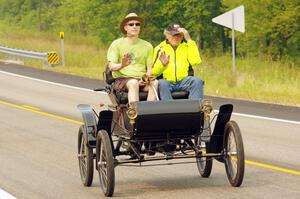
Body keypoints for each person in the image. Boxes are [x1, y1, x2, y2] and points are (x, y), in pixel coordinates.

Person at [107, 13, 158, 104]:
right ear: (125, 28)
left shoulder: (148, 46)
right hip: (123, 79)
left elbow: (149, 69)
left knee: (155, 83)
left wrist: (145, 79)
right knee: (133, 83)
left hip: (141, 79)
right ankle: (134, 115)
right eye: (131, 24)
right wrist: (122, 65)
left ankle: (147, 113)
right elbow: (111, 66)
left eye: (137, 24)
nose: (134, 26)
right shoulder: (117, 44)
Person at [152, 23, 203, 100]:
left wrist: (189, 39)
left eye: (179, 35)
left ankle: (194, 109)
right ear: (167, 35)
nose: (176, 37)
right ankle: (169, 108)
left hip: (183, 81)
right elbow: (153, 72)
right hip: (167, 82)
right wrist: (162, 65)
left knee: (197, 81)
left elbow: (196, 61)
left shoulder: (187, 46)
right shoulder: (159, 48)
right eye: (173, 35)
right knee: (162, 83)